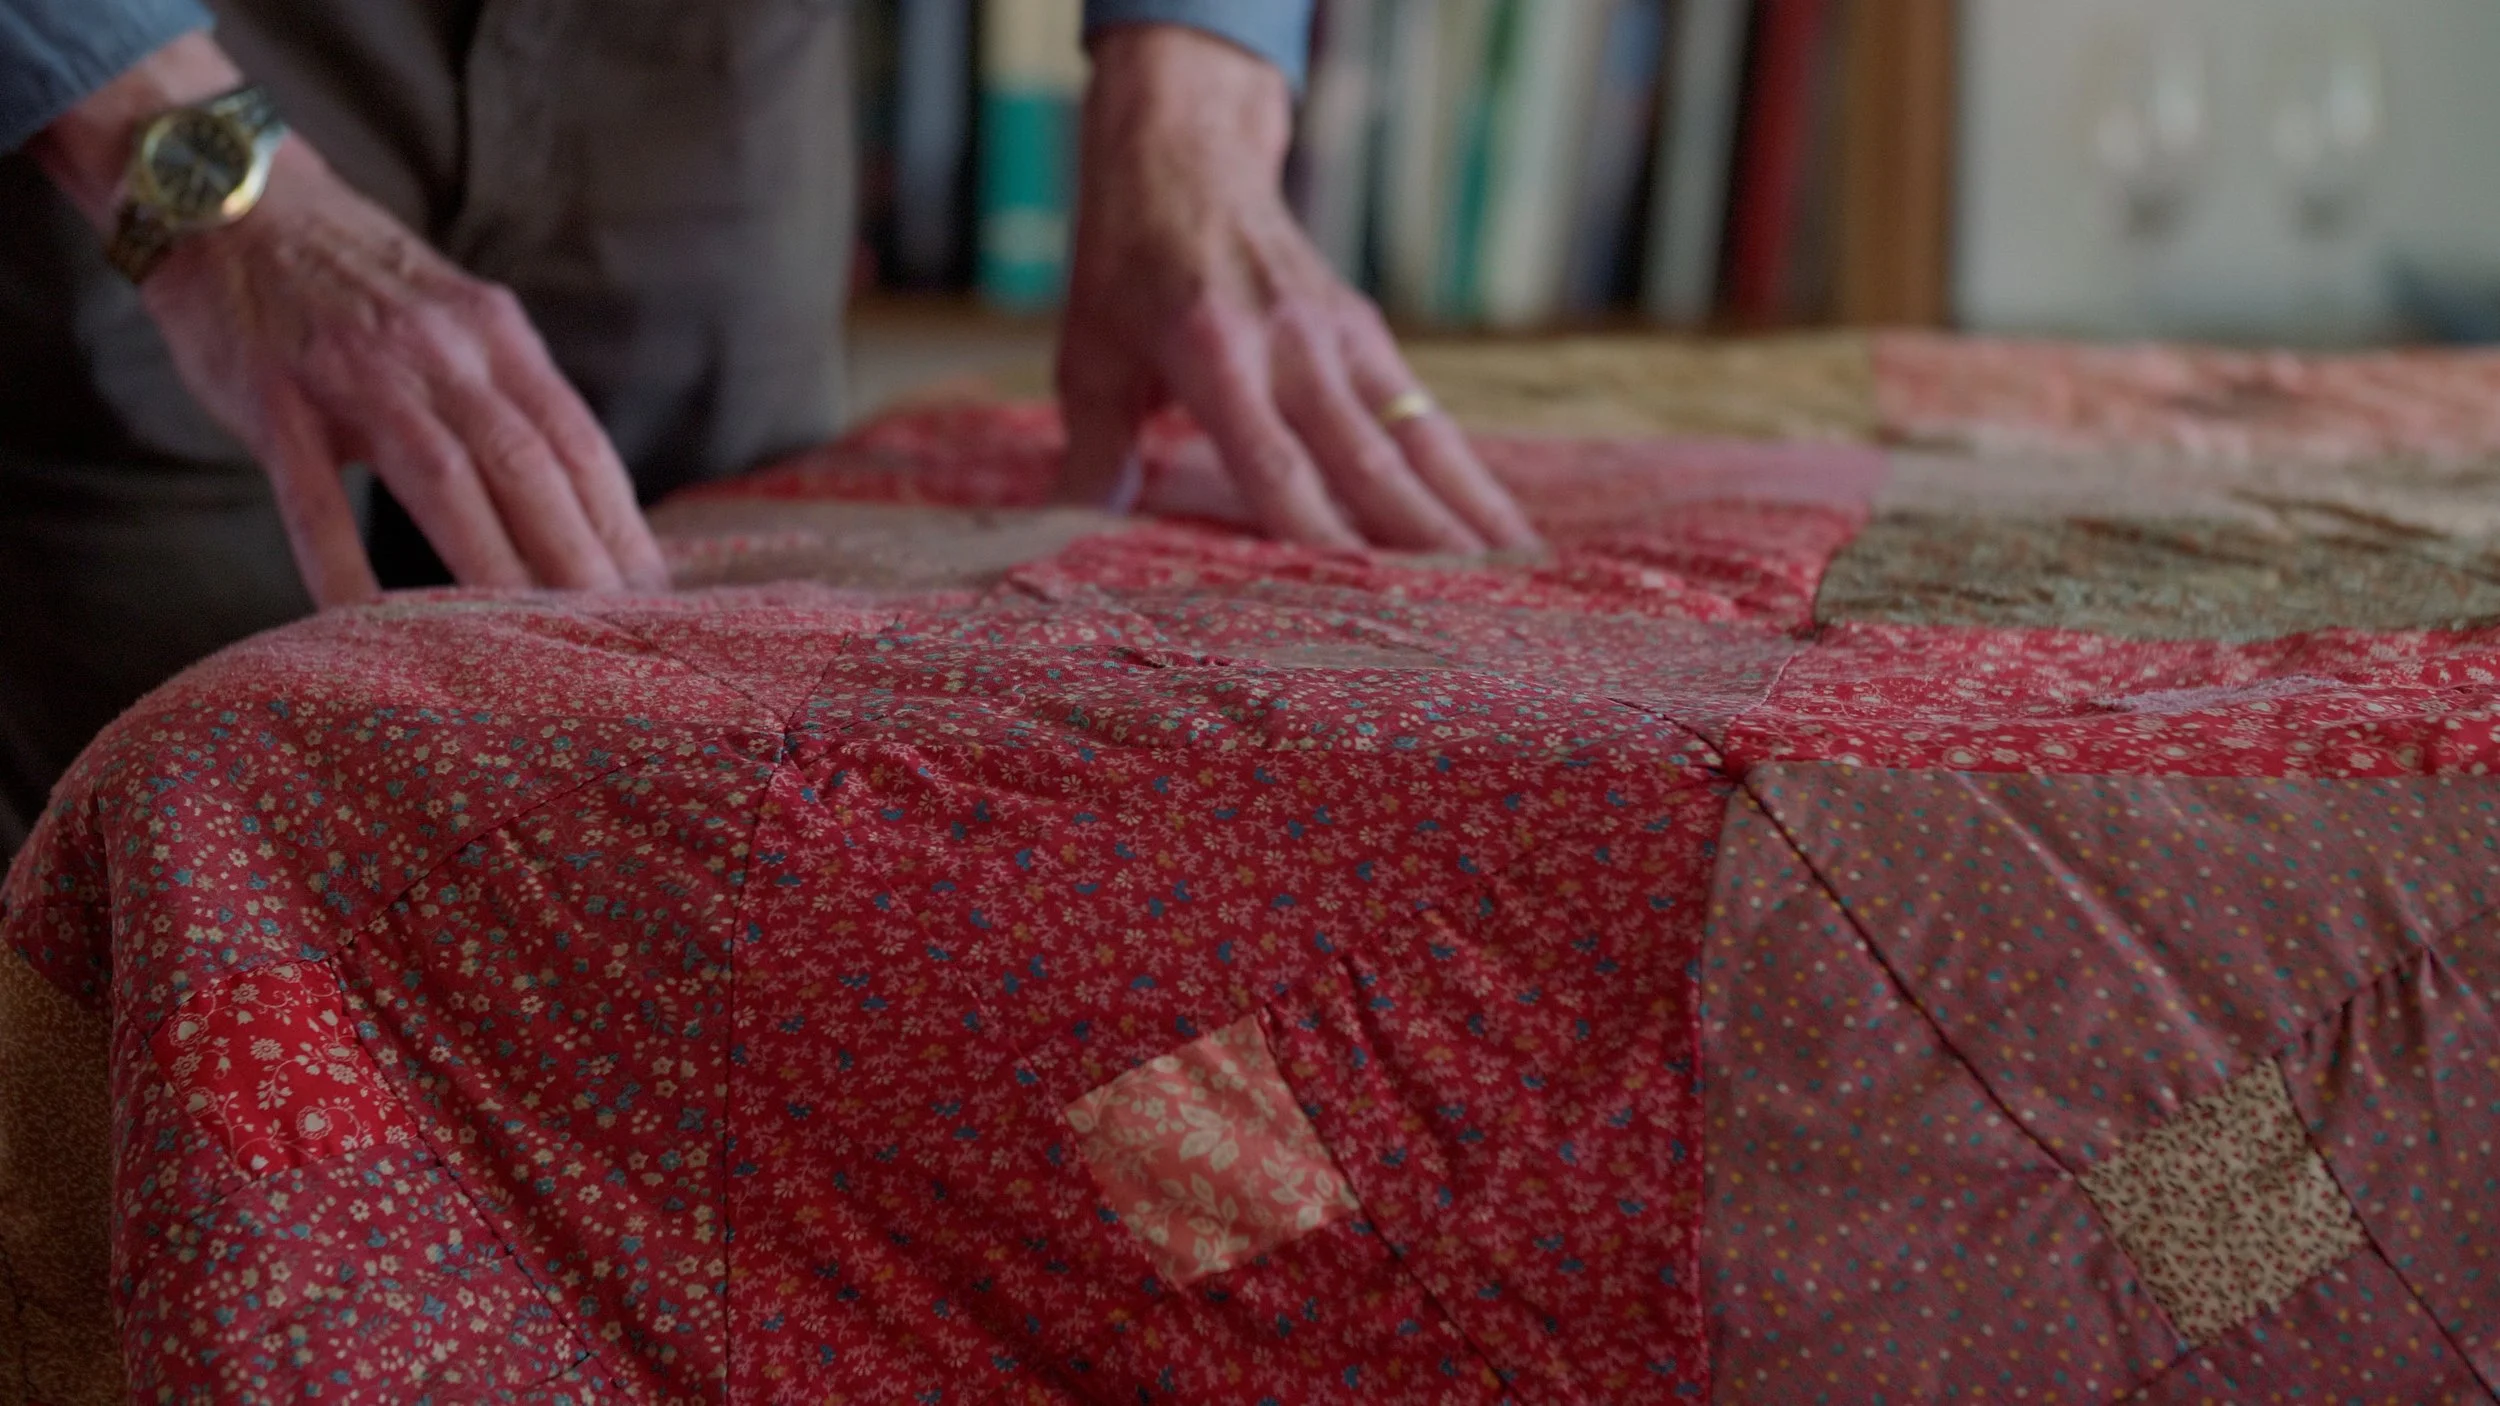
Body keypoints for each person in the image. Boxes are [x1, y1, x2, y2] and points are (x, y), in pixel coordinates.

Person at [0, 0, 1537, 852]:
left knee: (708, 833)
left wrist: (1190, 105)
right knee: (150, 851)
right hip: (140, 57)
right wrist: (192, 177)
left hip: (701, 65)